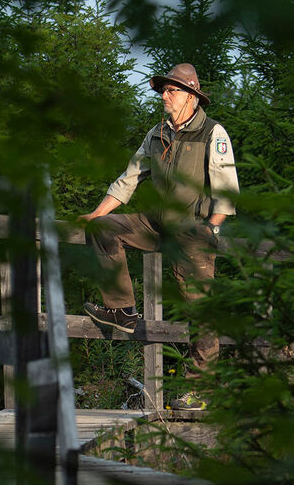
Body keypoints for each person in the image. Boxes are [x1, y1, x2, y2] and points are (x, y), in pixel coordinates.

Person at [80, 63, 239, 410]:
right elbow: (130, 177)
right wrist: (96, 213)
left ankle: (202, 390)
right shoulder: (156, 133)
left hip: (191, 228)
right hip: (156, 222)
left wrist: (211, 227)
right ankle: (122, 311)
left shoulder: (213, 133)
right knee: (105, 228)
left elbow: (226, 190)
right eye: (163, 90)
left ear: (192, 95)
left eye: (172, 90)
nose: (164, 96)